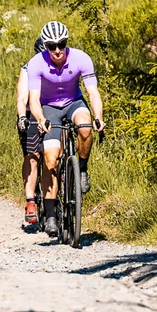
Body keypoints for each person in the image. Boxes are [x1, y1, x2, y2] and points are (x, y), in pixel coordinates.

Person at [27, 20, 105, 237]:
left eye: (61, 44)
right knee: (51, 158)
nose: (57, 50)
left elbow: (93, 93)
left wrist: (98, 117)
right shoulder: (36, 63)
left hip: (74, 103)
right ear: (45, 46)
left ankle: (82, 169)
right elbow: (34, 99)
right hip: (49, 108)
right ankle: (51, 214)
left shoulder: (81, 58)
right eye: (52, 46)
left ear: (67, 42)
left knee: (85, 127)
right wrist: (40, 118)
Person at [15, 35, 47, 226]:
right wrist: (22, 117)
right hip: (30, 115)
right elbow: (21, 98)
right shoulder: (28, 69)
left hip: (50, 112)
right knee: (32, 157)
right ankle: (31, 202)